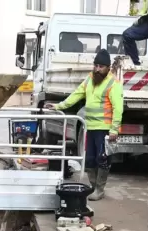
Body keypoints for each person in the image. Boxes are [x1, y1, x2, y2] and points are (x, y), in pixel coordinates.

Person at [47, 49, 123, 201]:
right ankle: (93, 187)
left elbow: (118, 108)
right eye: (96, 65)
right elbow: (76, 94)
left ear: (108, 67)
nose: (97, 69)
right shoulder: (90, 79)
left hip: (104, 129)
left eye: (101, 66)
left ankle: (100, 190)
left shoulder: (113, 83)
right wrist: (58, 106)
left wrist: (114, 129)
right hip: (90, 127)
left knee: (103, 159)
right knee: (89, 160)